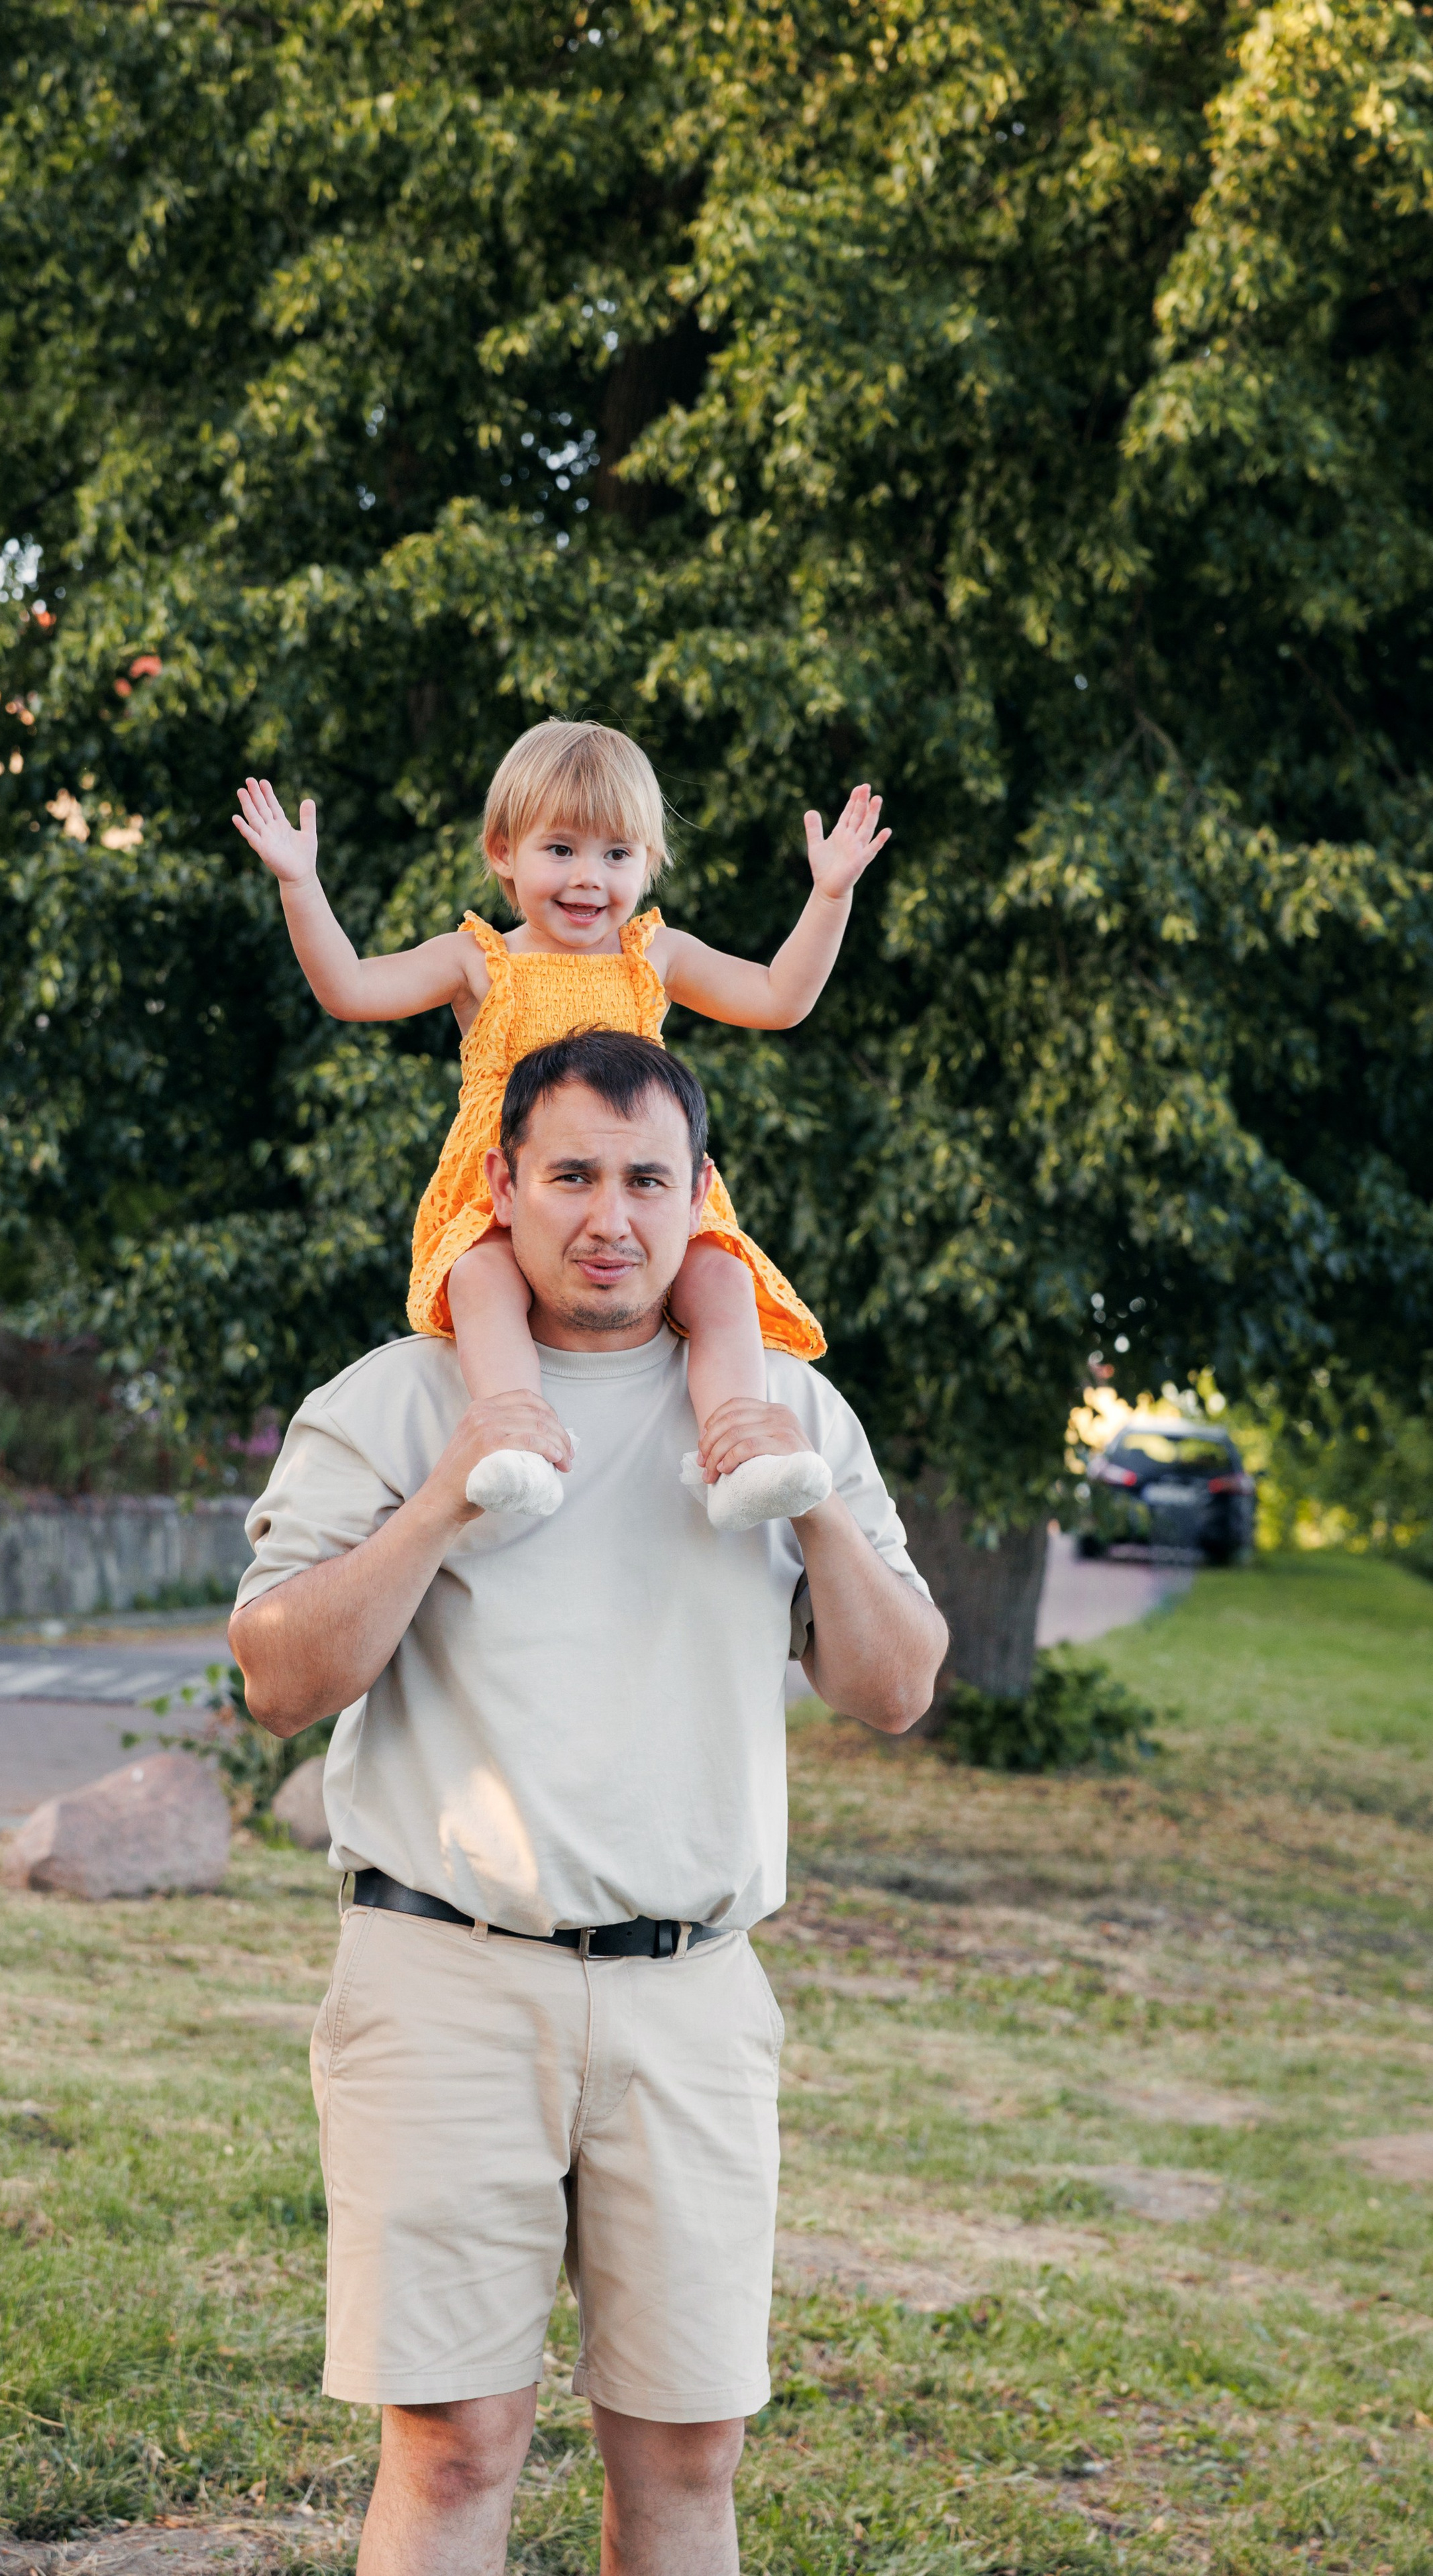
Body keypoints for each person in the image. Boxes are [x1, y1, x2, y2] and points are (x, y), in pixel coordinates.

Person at [229, 1028, 947, 2576]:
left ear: (700, 1200)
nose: (607, 1214)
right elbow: (278, 1677)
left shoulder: (792, 1413)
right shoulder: (395, 1400)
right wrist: (444, 1495)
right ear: (500, 1184)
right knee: (451, 2442)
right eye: (568, 1173)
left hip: (690, 1995)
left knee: (685, 2458)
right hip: (443, 1970)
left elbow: (894, 1687)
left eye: (645, 1178)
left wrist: (807, 1496)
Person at [230, 717, 891, 1532]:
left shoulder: (656, 957)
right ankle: (516, 1444)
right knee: (482, 1279)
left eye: (617, 854)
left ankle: (740, 1452)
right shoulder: (481, 963)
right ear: (503, 851)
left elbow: (780, 999)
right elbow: (352, 990)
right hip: (516, 1198)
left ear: (648, 862)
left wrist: (830, 896)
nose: (589, 878)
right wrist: (301, 884)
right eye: (561, 850)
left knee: (720, 1279)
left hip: (634, 1190)